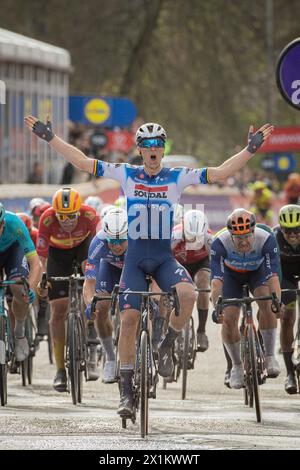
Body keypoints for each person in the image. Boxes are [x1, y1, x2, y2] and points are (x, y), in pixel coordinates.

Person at [25, 115, 273, 416]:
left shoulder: (177, 176)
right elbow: (82, 162)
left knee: (189, 295)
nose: (153, 149)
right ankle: (127, 393)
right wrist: (50, 138)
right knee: (128, 321)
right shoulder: (126, 173)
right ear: (139, 149)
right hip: (134, 259)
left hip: (163, 258)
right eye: (147, 144)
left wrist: (250, 150)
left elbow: (220, 173)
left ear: (163, 149)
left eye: (158, 144)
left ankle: (167, 343)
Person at [36, 187, 99, 392]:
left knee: (88, 274)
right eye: (62, 216)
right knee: (58, 310)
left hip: (83, 248)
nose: (67, 221)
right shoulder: (46, 220)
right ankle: (61, 370)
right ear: (54, 213)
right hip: (58, 254)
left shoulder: (90, 215)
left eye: (71, 216)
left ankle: (90, 332)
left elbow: (100, 247)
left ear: (79, 211)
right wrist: (44, 278)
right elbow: (42, 258)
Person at [210, 209, 281, 389]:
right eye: (238, 238)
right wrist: (217, 307)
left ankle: (270, 355)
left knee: (267, 303)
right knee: (229, 318)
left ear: (253, 231)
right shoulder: (219, 242)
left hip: (258, 272)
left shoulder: (266, 239)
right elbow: (216, 281)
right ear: (231, 235)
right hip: (231, 275)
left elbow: (273, 275)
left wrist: (277, 302)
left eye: (247, 237)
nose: (243, 242)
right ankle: (236, 366)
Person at [83, 207, 128, 383]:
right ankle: (110, 357)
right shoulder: (98, 242)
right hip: (109, 269)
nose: (116, 246)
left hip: (132, 270)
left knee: (135, 307)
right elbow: (89, 283)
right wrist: (89, 304)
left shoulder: (138, 239)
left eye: (121, 241)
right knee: (100, 309)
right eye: (112, 241)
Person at [0, 203, 41, 361]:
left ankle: (19, 333)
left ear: (3, 223)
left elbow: (35, 262)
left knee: (19, 287)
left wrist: (29, 287)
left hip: (13, 251)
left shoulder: (15, 223)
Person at [172, 209, 212, 351]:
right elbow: (164, 258)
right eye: (189, 238)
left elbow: (218, 262)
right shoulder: (175, 234)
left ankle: (201, 331)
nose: (194, 242)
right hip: (179, 263)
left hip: (200, 263)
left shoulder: (208, 237)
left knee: (203, 283)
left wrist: (215, 287)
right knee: (172, 291)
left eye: (197, 239)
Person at [274, 205, 300, 394]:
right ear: (281, 228)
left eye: (297, 230)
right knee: (288, 318)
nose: (292, 235)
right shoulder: (274, 238)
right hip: (285, 276)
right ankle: (290, 374)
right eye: (288, 231)